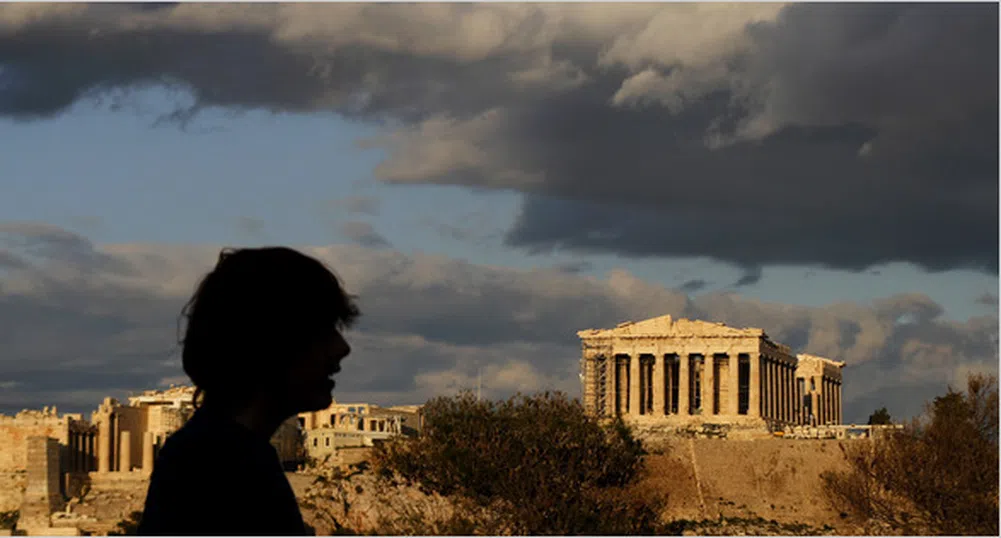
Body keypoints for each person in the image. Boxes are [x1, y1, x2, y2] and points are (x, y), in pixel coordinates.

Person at [138, 247, 359, 536]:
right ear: (268, 340)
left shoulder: (216, 455)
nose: (342, 348)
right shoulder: (221, 470)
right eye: (323, 331)